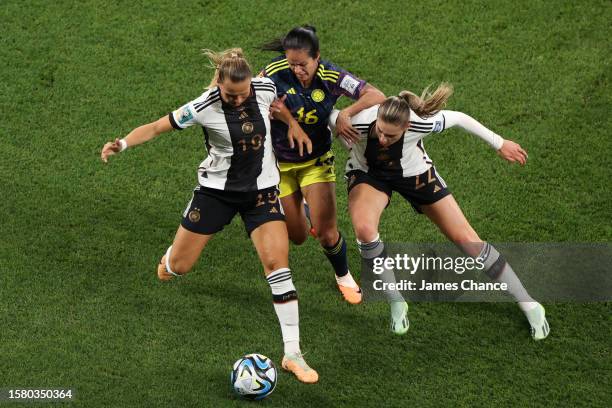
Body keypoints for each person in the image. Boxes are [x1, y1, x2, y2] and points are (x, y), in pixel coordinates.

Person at [100, 48, 319, 383]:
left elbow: (279, 106)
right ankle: (171, 259)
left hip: (261, 195)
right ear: (219, 83)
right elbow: (158, 127)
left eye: (242, 94)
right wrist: (123, 144)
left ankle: (292, 353)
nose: (237, 100)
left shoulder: (264, 88)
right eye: (231, 95)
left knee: (277, 266)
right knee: (177, 269)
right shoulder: (202, 106)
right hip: (216, 194)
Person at [330, 84, 550, 340]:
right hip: (369, 175)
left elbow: (459, 118)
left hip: (415, 175)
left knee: (467, 241)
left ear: (406, 128)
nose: (382, 139)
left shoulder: (420, 123)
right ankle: (396, 301)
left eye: (391, 136)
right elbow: (323, 116)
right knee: (365, 230)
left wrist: (499, 143)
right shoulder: (359, 122)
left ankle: (529, 304)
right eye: (380, 131)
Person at [261, 26, 386, 305]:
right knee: (299, 236)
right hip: (279, 165)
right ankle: (307, 212)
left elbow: (375, 95)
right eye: (292, 64)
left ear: (317, 57)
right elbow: (249, 98)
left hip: (316, 163)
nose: (296, 70)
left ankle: (343, 276)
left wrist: (346, 114)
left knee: (328, 233)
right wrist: (287, 120)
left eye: (302, 65)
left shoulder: (331, 76)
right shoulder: (273, 72)